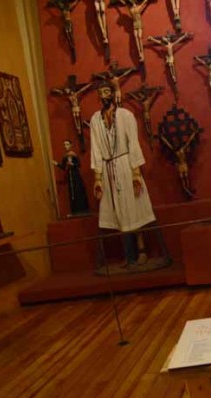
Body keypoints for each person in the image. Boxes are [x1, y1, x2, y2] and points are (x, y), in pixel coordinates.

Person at [90, 81, 156, 265]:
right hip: (108, 169)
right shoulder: (95, 120)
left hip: (126, 165)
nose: (103, 96)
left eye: (106, 92)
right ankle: (129, 255)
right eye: (100, 93)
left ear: (112, 94)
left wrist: (135, 172)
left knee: (134, 206)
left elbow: (133, 142)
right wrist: (98, 176)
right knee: (118, 210)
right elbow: (95, 148)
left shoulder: (126, 115)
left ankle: (142, 249)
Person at [53, 140, 90, 216]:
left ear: (70, 145)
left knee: (78, 191)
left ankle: (83, 210)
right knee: (72, 193)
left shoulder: (74, 155)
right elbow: (63, 167)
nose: (65, 146)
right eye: (64, 145)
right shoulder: (65, 157)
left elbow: (78, 165)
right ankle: (74, 211)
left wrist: (72, 164)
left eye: (67, 144)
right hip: (70, 177)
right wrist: (56, 164)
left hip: (75, 175)